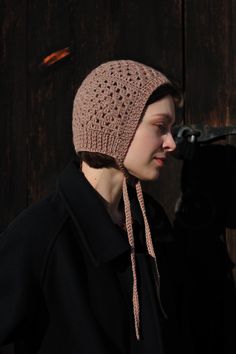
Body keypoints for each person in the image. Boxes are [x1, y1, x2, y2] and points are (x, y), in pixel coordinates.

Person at [0, 59, 181, 354]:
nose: (171, 142)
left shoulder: (150, 221)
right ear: (115, 125)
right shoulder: (40, 234)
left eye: (172, 129)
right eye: (160, 127)